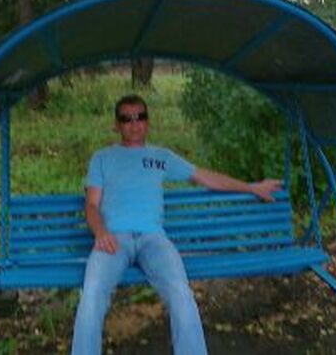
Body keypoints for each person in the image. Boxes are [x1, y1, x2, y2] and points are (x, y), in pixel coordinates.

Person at [71, 94, 281, 355]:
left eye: (140, 117)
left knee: (181, 294)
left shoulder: (162, 157)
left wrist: (252, 187)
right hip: (113, 239)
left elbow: (205, 177)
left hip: (153, 240)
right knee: (91, 296)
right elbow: (91, 205)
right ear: (116, 125)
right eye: (126, 118)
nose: (134, 123)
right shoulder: (103, 158)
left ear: (148, 121)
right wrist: (100, 232)